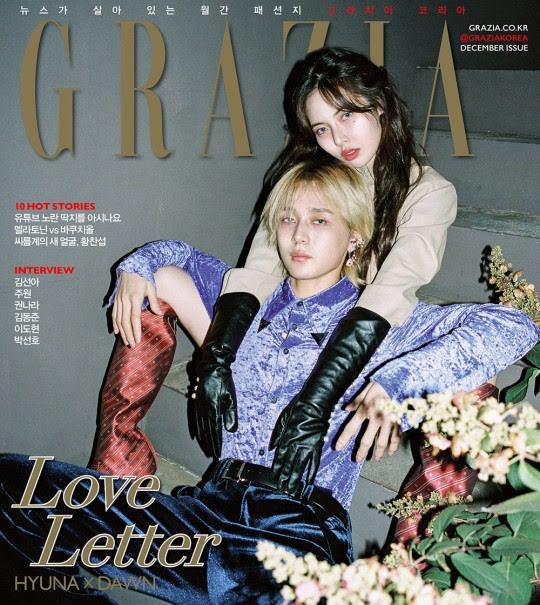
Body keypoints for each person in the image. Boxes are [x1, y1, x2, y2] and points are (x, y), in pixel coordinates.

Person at [3, 160, 538, 605]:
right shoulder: (243, 305)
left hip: (294, 536)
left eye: (320, 220)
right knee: (11, 487)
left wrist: (395, 381)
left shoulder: (383, 325)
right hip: (202, 519)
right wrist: (134, 268)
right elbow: (172, 258)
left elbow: (514, 325)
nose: (298, 235)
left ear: (355, 236)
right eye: (287, 218)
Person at [94, 47, 458, 486]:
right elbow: (259, 271)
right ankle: (118, 473)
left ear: (379, 105)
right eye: (322, 128)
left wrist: (317, 401)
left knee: (470, 374)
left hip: (347, 343)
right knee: (158, 281)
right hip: (281, 325)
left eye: (347, 115)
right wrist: (216, 360)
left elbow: (389, 294)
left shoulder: (428, 193)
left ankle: (423, 528)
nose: (338, 139)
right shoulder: (306, 180)